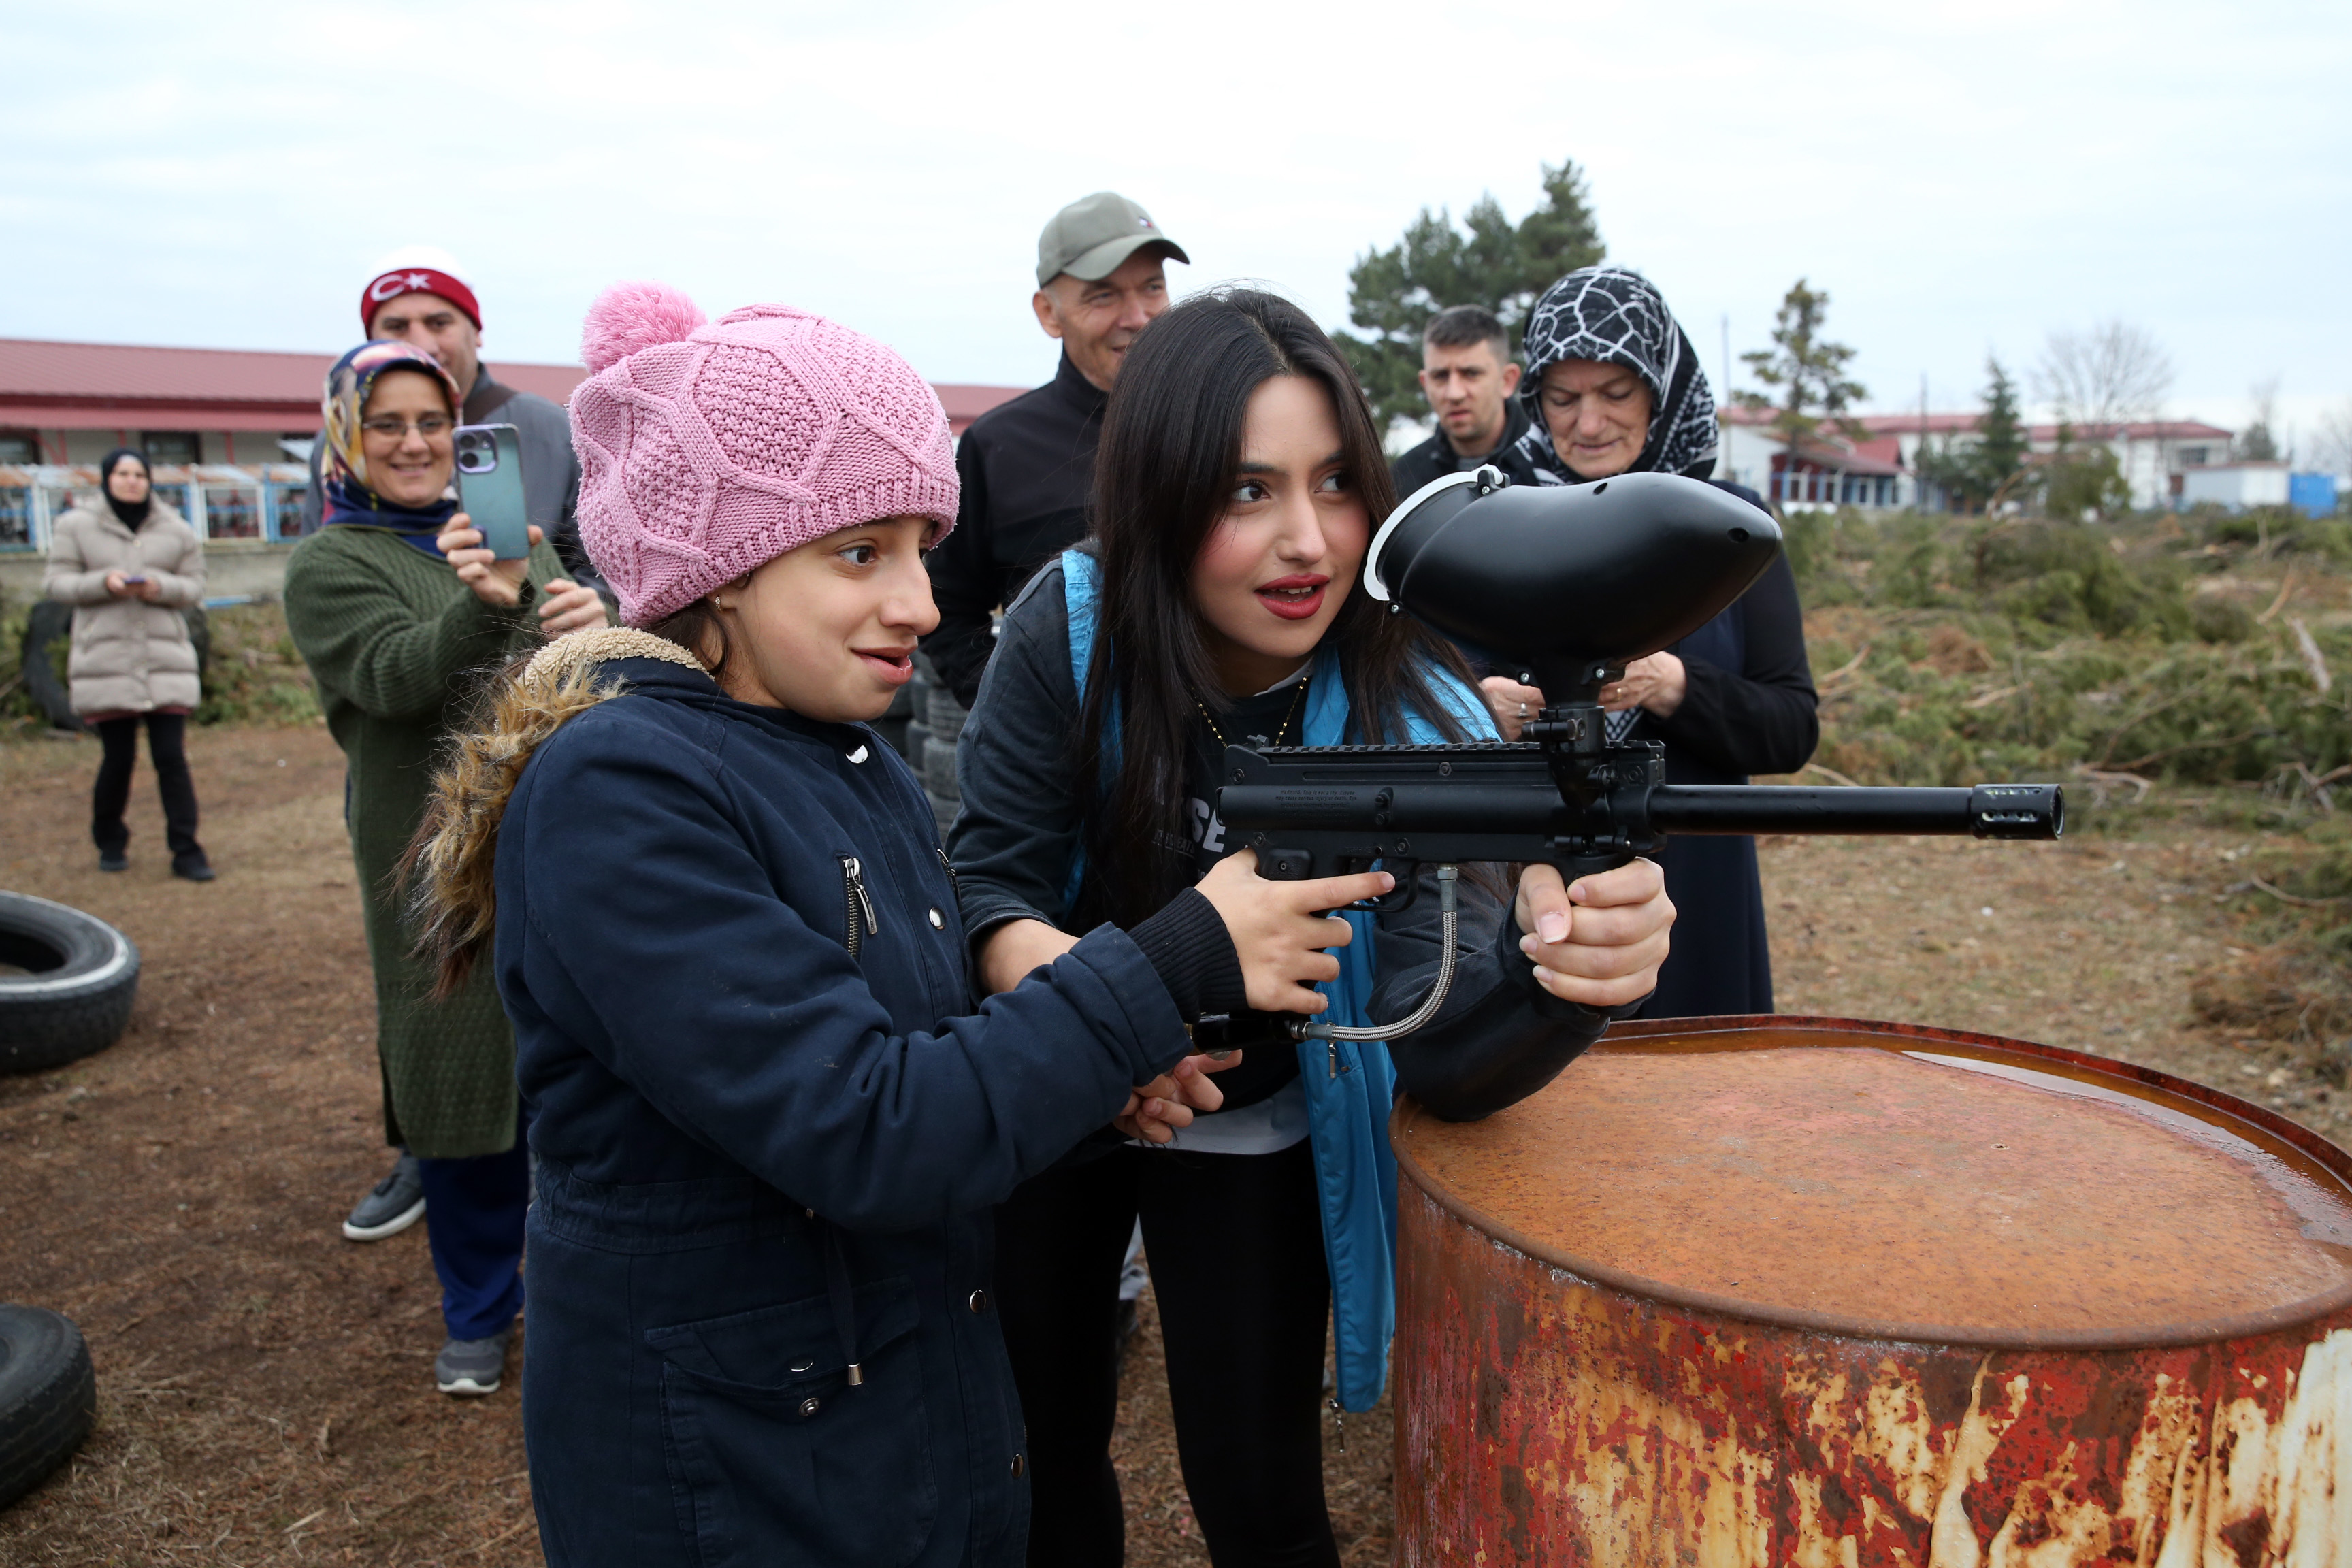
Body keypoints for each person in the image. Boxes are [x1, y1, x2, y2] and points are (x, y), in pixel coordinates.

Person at [402, 281, 1378, 1566]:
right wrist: (1182, 949)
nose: (921, 601)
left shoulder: (840, 762)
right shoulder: (621, 790)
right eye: (860, 553)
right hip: (735, 1473)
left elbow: (924, 1040)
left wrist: (1094, 1083)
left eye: (923, 546)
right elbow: (872, 1125)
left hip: (871, 1423)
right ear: (724, 569)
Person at [949, 287, 1676, 1566]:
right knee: (1031, 1448)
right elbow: (989, 883)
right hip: (1048, 1074)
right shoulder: (1069, 628)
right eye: (1244, 492)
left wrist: (1567, 984)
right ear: (1158, 494)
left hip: (1265, 1104)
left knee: (1257, 1473)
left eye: (1336, 483)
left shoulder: (1420, 701)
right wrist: (1090, 1014)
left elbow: (1440, 1053)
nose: (1307, 543)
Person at [283, 340, 606, 1395]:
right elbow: (390, 678)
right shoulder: (330, 563)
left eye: (435, 422)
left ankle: (576, 1291)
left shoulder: (513, 536)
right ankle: (477, 1306)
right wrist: (493, 597)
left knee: (570, 1078)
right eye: (389, 425)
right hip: (428, 855)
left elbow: (574, 678)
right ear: (348, 438)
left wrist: (586, 626)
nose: (416, 443)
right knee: (461, 1082)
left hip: (552, 838)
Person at [1482, 265, 1818, 1017]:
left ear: (1661, 393)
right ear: (1532, 398)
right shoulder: (1491, 521)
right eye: (1563, 399)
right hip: (1541, 907)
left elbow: (1790, 728)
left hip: (1699, 896)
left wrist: (1675, 685)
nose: (1589, 424)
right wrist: (1479, 709)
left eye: (1615, 394)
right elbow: (1416, 695)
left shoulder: (1732, 532)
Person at [921, 191, 1189, 709]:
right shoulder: (998, 447)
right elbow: (947, 608)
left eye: (1152, 287)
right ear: (1050, 312)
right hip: (1072, 780)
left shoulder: (1225, 423)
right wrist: (1016, 714)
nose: (1137, 316)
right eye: (1103, 295)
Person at [304, 246, 604, 594]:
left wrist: (591, 610)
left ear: (476, 331)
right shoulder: (337, 449)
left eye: (439, 323)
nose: (422, 343)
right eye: (396, 326)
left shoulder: (553, 430)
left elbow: (604, 566)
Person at [42, 448, 213, 880]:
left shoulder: (175, 529)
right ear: (106, 478)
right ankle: (110, 840)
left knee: (171, 758)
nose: (132, 481)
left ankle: (187, 849)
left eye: (139, 473)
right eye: (123, 473)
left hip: (164, 660)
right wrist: (104, 583)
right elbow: (56, 582)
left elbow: (194, 585)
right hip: (107, 660)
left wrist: (161, 586)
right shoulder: (76, 526)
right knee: (118, 758)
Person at [1388, 304, 1541, 495]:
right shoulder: (1402, 480)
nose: (1454, 394)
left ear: (1507, 380)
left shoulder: (1550, 469)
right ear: (1425, 384)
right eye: (1440, 376)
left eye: (1471, 373)